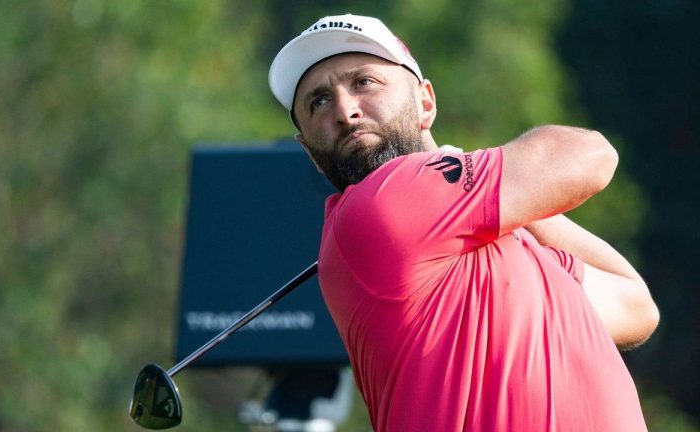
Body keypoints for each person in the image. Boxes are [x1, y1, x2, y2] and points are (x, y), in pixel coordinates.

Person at [268, 14, 659, 432]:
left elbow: (634, 305)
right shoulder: (379, 204)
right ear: (309, 150)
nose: (345, 111)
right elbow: (590, 156)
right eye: (319, 102)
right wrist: (493, 183)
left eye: (363, 82)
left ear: (425, 102)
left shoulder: (508, 246)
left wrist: (507, 210)